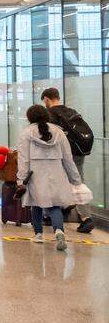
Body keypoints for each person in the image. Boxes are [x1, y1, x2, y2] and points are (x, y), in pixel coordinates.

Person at [17, 104, 83, 251]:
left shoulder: (26, 133)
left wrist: (21, 180)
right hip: (56, 171)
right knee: (54, 205)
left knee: (36, 204)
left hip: (35, 172)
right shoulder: (59, 132)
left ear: (29, 118)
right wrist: (76, 179)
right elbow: (68, 158)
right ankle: (59, 231)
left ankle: (39, 234)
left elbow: (23, 159)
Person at [40, 87, 97, 232]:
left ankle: (49, 215)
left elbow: (47, 137)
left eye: (44, 101)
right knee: (78, 183)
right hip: (78, 153)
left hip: (61, 154)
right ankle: (86, 218)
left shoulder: (49, 114)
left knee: (51, 182)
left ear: (47, 99)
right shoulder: (71, 111)